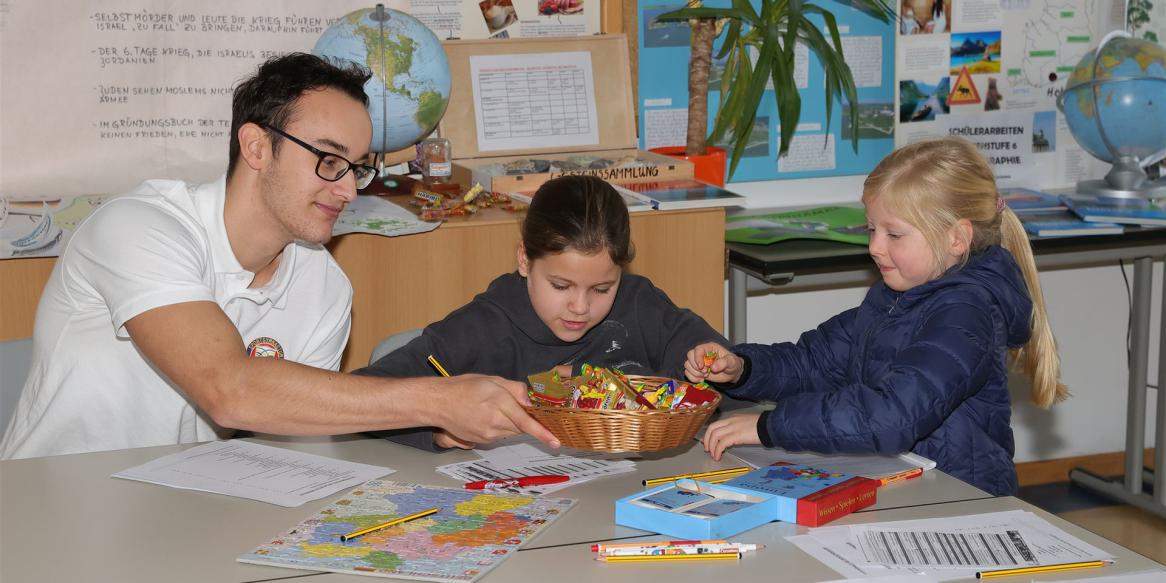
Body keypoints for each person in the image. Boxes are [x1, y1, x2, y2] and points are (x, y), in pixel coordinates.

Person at [0, 53, 556, 460]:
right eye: (329, 160)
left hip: (186, 514)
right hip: (52, 506)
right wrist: (439, 400)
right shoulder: (138, 227)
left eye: (358, 168)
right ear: (256, 147)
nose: (347, 191)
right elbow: (230, 391)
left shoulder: (325, 288)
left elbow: (287, 442)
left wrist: (439, 428)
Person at [684, 137, 1067, 496]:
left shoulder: (966, 315)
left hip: (960, 500)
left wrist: (768, 426)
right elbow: (814, 362)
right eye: (871, 229)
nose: (874, 247)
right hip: (914, 488)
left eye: (893, 235)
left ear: (956, 238)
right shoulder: (894, 298)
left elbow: (891, 417)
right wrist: (743, 368)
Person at [359, 175, 735, 450]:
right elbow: (367, 398)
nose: (580, 307)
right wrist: (441, 432)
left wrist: (714, 361)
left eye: (602, 289)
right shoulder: (482, 326)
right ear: (524, 259)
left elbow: (721, 382)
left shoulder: (640, 306)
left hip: (621, 501)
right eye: (560, 286)